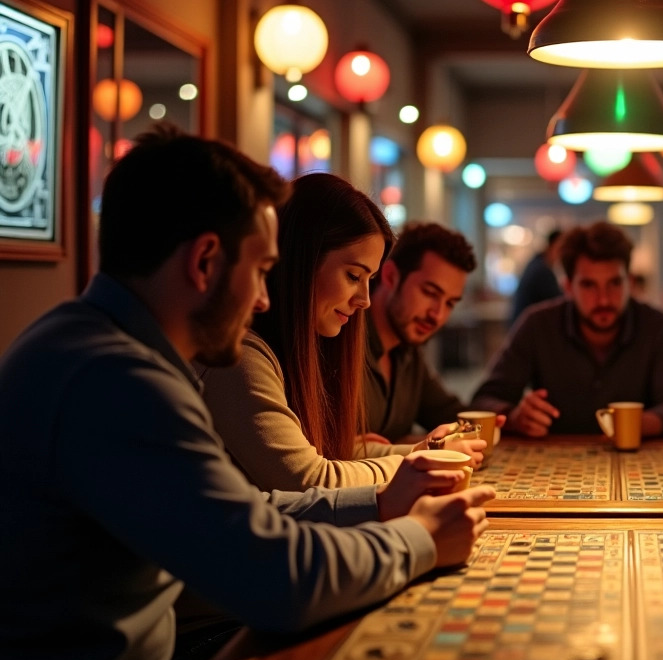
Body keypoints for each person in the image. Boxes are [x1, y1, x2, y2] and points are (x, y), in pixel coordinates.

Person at [0, 126, 495, 660]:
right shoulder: (115, 379)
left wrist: (378, 499)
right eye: (262, 270)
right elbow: (274, 577)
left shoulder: (99, 347)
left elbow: (248, 510)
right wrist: (419, 541)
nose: (265, 299)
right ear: (206, 261)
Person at [199, 174, 484, 492]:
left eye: (368, 279)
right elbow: (309, 479)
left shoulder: (318, 343)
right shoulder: (241, 357)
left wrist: (427, 452)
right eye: (353, 276)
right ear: (301, 259)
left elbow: (332, 451)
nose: (364, 299)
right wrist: (420, 460)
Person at [469, 221, 663, 437]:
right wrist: (516, 417)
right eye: (589, 285)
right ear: (568, 287)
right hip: (554, 464)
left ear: (629, 282)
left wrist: (633, 426)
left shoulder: (657, 325)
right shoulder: (538, 324)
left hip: (640, 462)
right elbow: (483, 401)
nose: (604, 299)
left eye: (614, 283)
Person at [362, 220, 498, 444]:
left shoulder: (407, 353)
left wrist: (511, 417)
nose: (438, 314)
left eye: (450, 303)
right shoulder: (342, 341)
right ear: (390, 277)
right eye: (430, 293)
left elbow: (449, 414)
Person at [509, 228, 563, 325]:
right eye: (560, 249)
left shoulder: (536, 264)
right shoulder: (541, 270)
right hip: (526, 328)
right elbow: (558, 301)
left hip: (522, 326)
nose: (562, 254)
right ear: (551, 246)